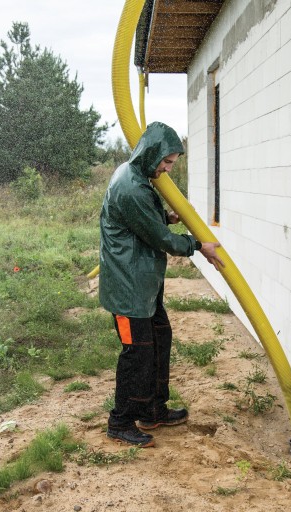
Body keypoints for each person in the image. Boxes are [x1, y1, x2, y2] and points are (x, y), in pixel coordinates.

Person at [99, 121, 224, 448]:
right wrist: (198, 246)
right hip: (128, 291)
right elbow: (160, 239)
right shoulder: (131, 187)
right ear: (151, 153)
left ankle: (152, 410)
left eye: (171, 164)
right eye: (166, 162)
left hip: (143, 287)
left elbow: (143, 223)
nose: (167, 169)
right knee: (136, 355)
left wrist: (164, 217)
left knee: (159, 340)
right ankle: (121, 421)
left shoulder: (136, 175)